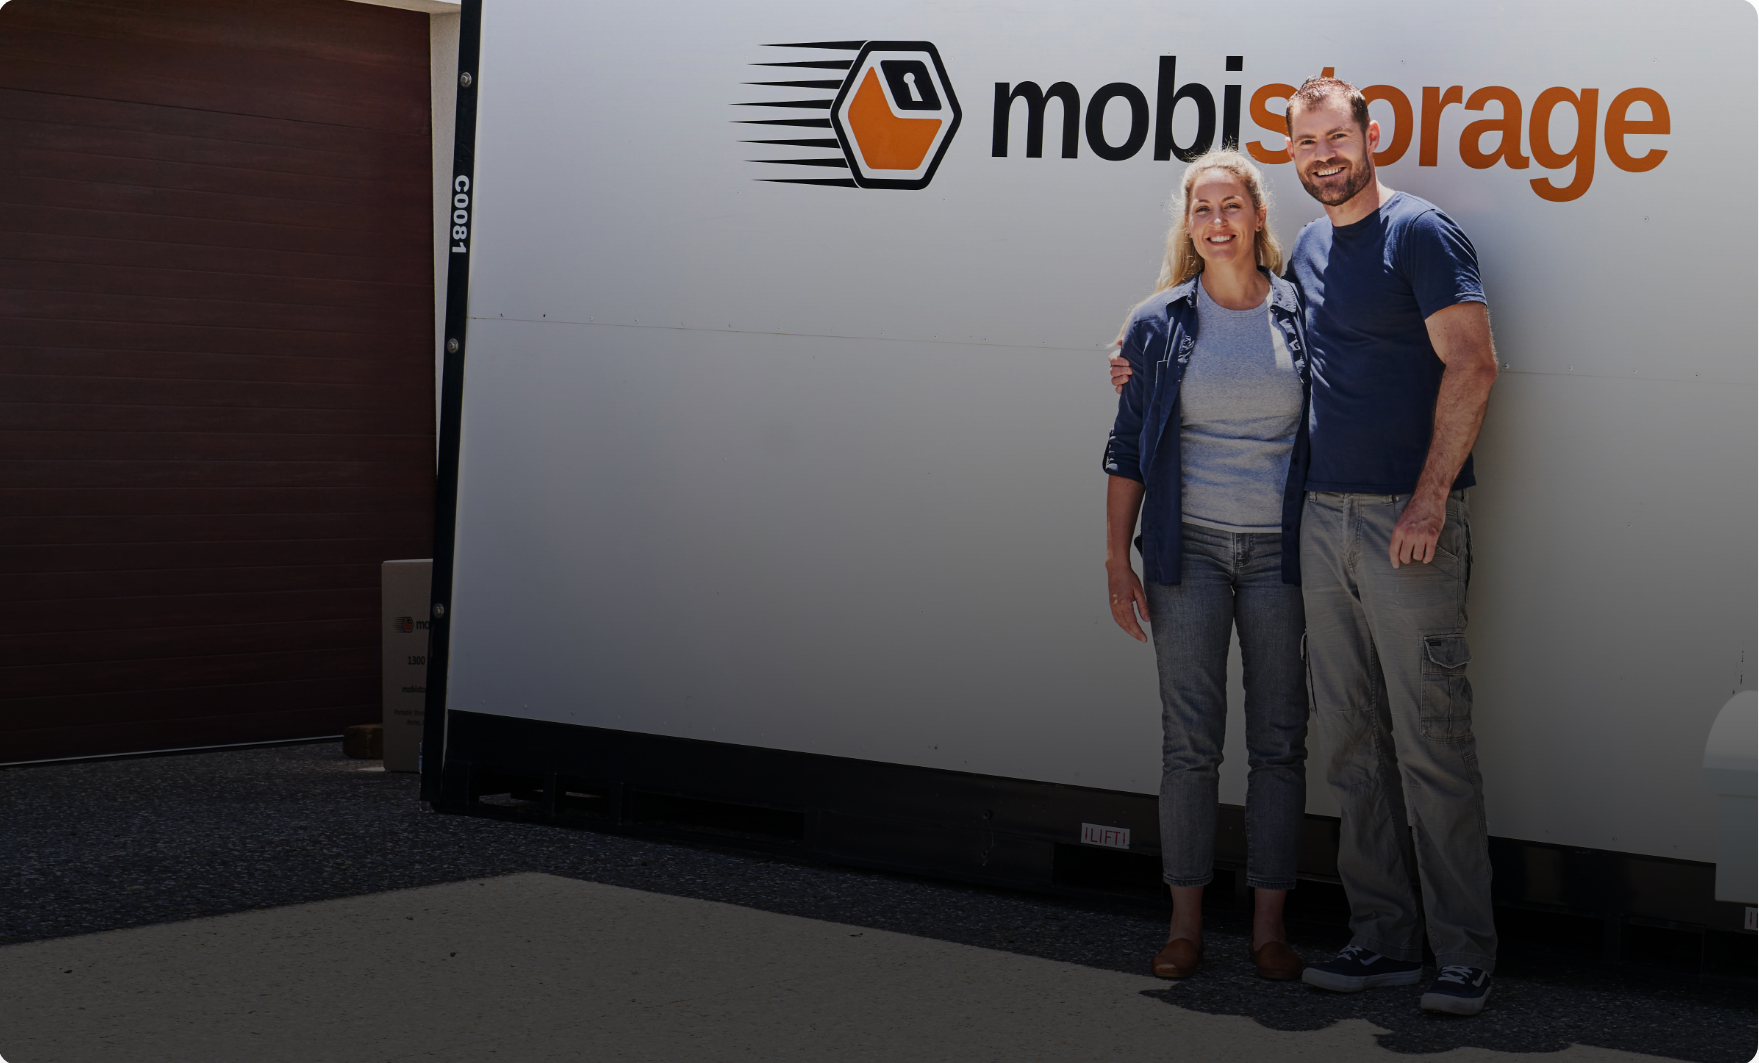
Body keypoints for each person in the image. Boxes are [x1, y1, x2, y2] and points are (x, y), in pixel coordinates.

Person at [1110, 77, 1501, 1016]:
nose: (1323, 154)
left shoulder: (1420, 232)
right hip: (1317, 525)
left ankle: (1462, 951)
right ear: (1293, 157)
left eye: (1337, 137)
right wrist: (1133, 354)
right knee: (1355, 747)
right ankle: (1381, 937)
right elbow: (1210, 344)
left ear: (1370, 138)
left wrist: (1427, 502)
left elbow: (1475, 362)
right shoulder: (1312, 255)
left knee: (1431, 741)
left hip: (1404, 524)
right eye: (1306, 141)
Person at [1103, 149, 1314, 983]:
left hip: (1281, 556)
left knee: (1278, 743)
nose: (1217, 221)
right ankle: (1184, 923)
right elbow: (1126, 450)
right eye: (1202, 209)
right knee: (1188, 744)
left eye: (1231, 206)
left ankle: (1267, 929)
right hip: (1184, 552)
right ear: (1188, 225)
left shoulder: (1302, 311)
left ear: (1258, 216)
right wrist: (1115, 560)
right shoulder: (1157, 322)